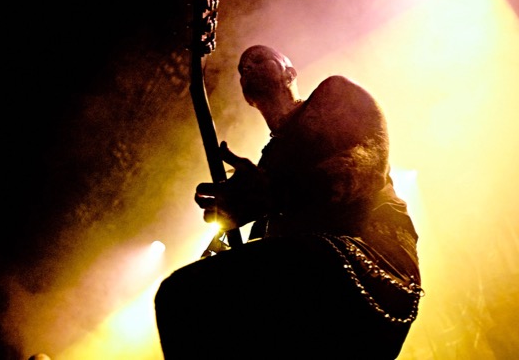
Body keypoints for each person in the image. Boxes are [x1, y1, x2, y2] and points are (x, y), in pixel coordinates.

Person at [154, 45, 422, 359]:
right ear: (247, 98)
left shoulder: (334, 94)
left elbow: (364, 166)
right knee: (183, 300)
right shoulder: (270, 162)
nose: (247, 67)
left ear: (289, 73)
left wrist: (272, 194)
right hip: (306, 285)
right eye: (242, 69)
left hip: (374, 265)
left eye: (259, 59)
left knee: (182, 293)